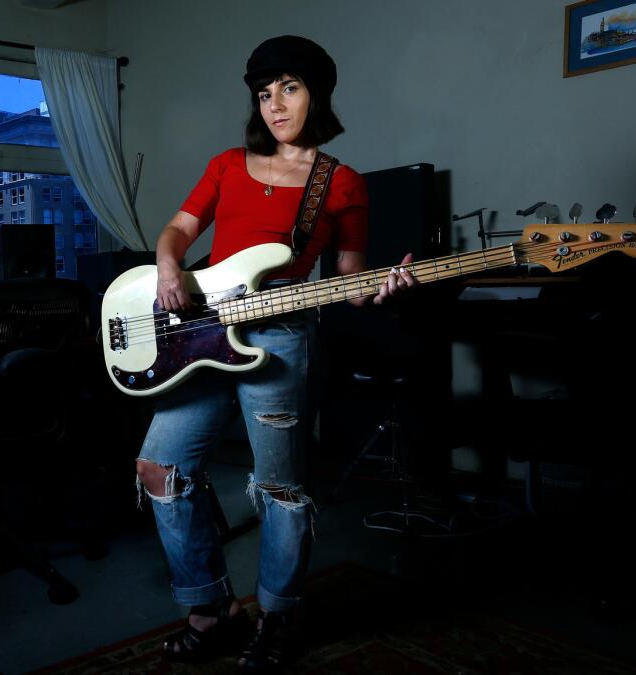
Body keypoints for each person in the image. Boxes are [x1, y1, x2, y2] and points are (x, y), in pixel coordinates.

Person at [134, 35, 417, 671]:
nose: (275, 105)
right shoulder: (227, 165)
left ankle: (281, 617)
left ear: (316, 92)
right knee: (159, 466)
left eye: (288, 88)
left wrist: (383, 289)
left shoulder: (339, 182)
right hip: (202, 334)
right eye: (265, 94)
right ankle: (212, 612)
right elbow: (179, 230)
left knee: (282, 488)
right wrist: (168, 267)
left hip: (284, 337)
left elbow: (350, 278)